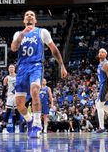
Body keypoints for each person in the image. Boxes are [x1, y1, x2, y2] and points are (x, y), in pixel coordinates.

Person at [10, 10, 67, 139]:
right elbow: (13, 48)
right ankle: (29, 120)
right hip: (22, 68)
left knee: (35, 90)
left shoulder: (42, 32)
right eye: (26, 15)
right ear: (24, 21)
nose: (29, 16)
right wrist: (23, 34)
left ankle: (37, 125)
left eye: (32, 15)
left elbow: (54, 50)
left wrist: (62, 65)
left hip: (36, 66)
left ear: (35, 20)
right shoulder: (18, 33)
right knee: (19, 104)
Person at [2, 64, 19, 134]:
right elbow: (4, 89)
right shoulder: (6, 78)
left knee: (17, 111)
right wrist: (2, 97)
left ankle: (17, 127)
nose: (11, 68)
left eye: (12, 67)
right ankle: (4, 128)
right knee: (8, 111)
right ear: (8, 69)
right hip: (10, 96)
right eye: (10, 67)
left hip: (17, 95)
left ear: (14, 69)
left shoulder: (18, 76)